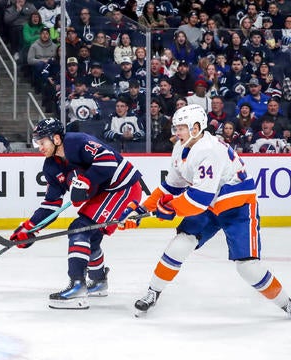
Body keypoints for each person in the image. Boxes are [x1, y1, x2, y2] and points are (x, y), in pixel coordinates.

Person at [118, 104, 291, 318]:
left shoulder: (208, 150)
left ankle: (287, 303)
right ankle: (153, 292)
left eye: (181, 127)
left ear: (196, 127)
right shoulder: (181, 147)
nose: (176, 132)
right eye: (176, 127)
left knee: (248, 267)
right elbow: (171, 187)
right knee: (181, 242)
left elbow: (198, 200)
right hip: (208, 203)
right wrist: (143, 208)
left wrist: (167, 210)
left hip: (236, 205)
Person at [10, 117, 142, 309]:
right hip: (105, 193)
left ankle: (77, 287)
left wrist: (87, 181)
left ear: (56, 139)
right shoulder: (51, 167)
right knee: (91, 236)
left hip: (122, 188)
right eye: (37, 142)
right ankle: (98, 281)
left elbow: (108, 160)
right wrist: (31, 227)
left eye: (42, 141)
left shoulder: (77, 141)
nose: (39, 147)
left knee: (79, 229)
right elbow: (51, 205)